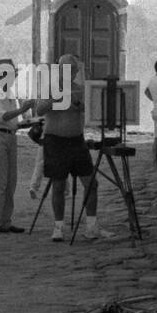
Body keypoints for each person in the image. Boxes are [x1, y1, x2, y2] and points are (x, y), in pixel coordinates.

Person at [35, 54, 111, 241]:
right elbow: (39, 110)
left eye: (73, 69)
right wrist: (55, 98)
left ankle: (91, 226)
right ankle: (58, 227)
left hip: (77, 141)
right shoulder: (50, 88)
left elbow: (92, 109)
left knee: (91, 183)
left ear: (76, 71)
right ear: (59, 70)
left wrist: (81, 105)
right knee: (58, 185)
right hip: (55, 141)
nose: (70, 72)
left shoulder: (80, 89)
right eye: (66, 69)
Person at [0, 58, 38, 234]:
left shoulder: (11, 93)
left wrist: (28, 119)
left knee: (10, 181)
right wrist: (22, 111)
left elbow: (13, 120)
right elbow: (3, 117)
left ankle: (5, 220)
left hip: (10, 135)